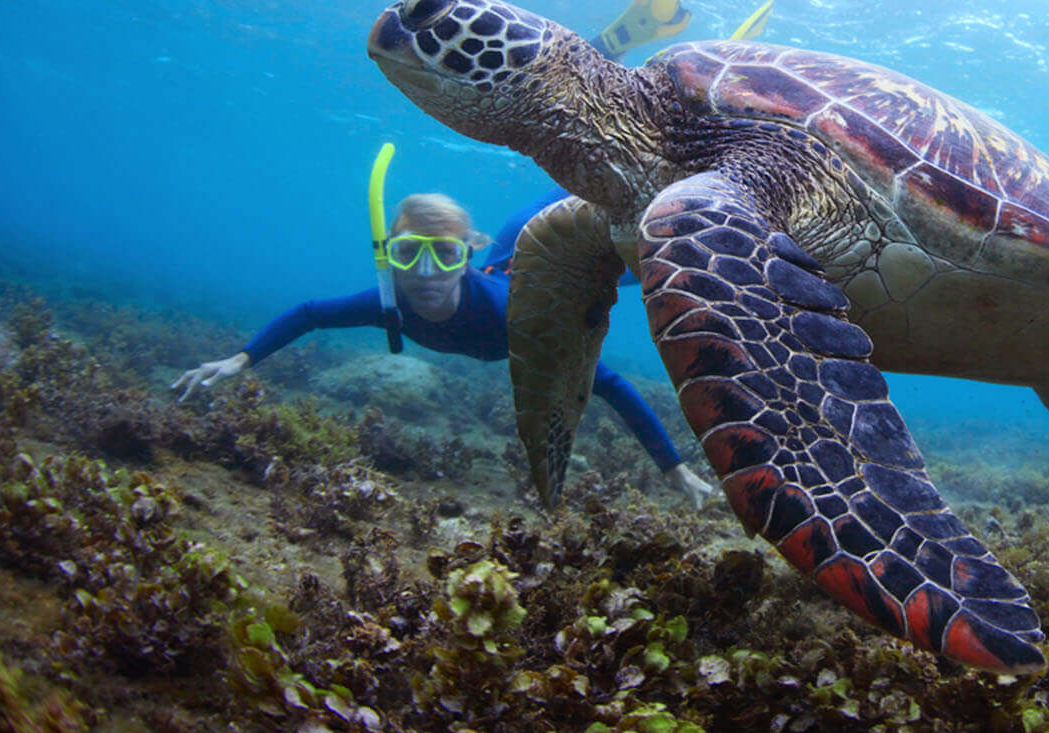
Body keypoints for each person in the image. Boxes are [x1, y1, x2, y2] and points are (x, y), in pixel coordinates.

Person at [173, 188, 716, 508]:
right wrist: (238, 359)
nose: (428, 274)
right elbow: (311, 314)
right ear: (389, 257)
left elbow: (609, 383)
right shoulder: (390, 303)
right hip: (503, 255)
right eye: (410, 255)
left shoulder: (514, 319)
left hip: (544, 264)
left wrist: (672, 468)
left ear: (462, 256)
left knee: (633, 234)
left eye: (445, 254)